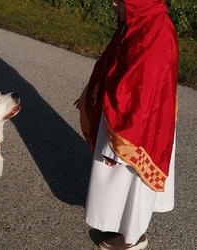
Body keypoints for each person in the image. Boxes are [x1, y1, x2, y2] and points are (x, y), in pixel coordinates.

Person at [74, 0, 178, 249]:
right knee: (123, 184)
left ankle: (132, 239)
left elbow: (142, 94)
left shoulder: (154, 32)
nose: (113, 3)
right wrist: (94, 92)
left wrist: (122, 142)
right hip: (126, 117)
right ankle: (121, 222)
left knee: (132, 183)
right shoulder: (139, 22)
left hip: (137, 127)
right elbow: (114, 63)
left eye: (120, 0)